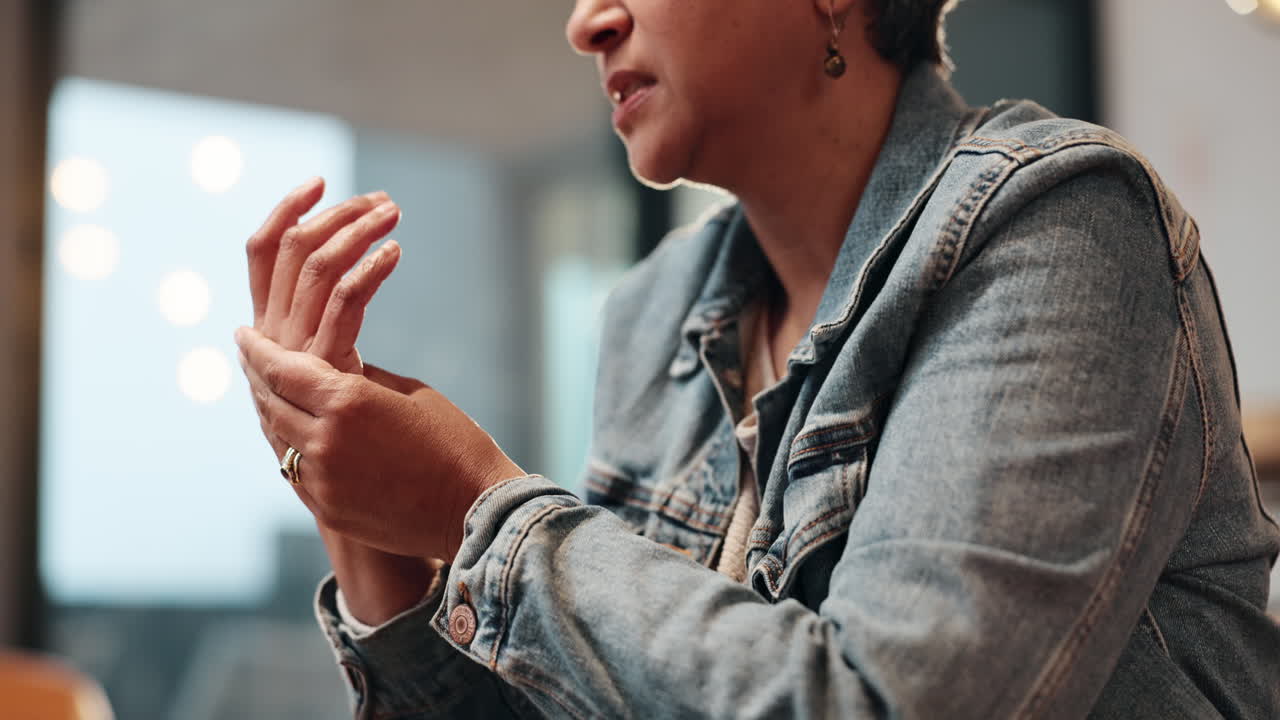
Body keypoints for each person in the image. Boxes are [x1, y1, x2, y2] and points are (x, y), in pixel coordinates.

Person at [233, 0, 1280, 717]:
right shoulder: (657, 313)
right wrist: (354, 507)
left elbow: (886, 703)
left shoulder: (1057, 223)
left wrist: (477, 505)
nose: (585, 21)